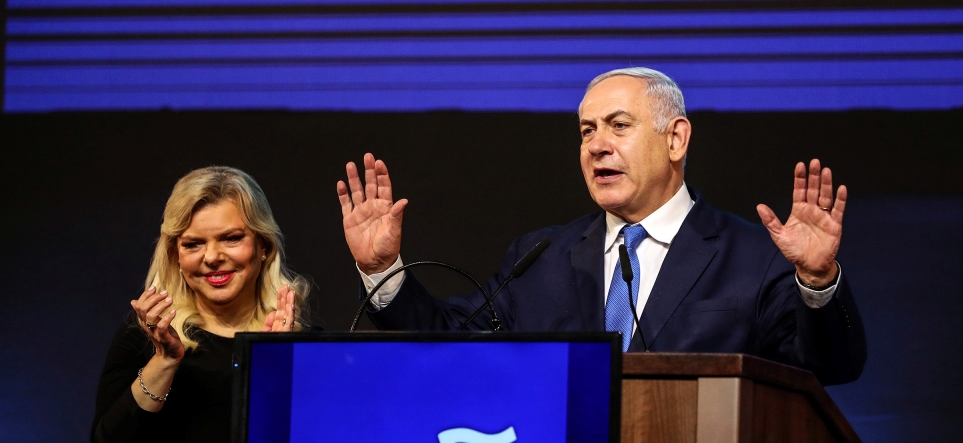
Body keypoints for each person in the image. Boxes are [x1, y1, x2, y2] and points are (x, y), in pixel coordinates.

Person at [338, 68, 866, 386]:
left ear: (676, 139)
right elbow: (454, 345)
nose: (596, 145)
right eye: (586, 130)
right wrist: (385, 271)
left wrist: (818, 283)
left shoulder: (754, 258)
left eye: (619, 126)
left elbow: (831, 368)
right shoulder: (540, 255)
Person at [91, 166, 311, 443]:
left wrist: (273, 368)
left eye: (231, 238)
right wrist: (165, 361)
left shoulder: (301, 340)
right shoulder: (145, 336)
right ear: (176, 256)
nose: (212, 257)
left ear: (263, 245)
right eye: (193, 244)